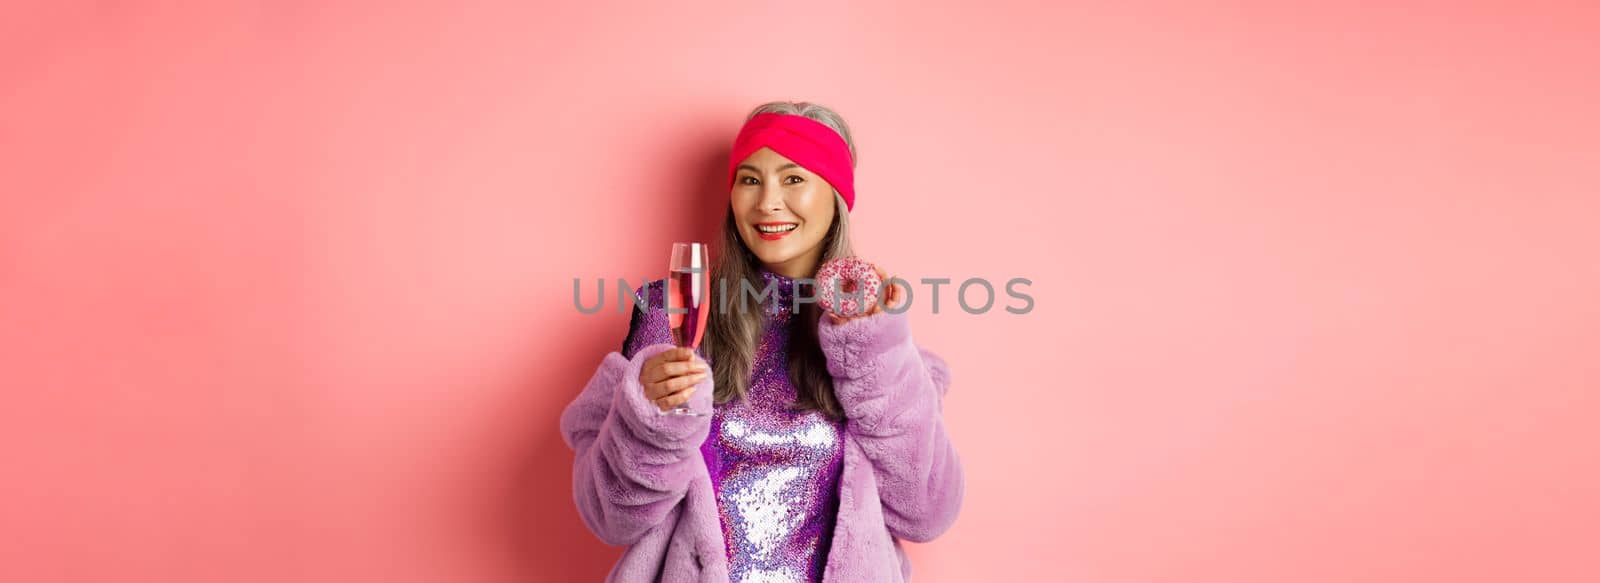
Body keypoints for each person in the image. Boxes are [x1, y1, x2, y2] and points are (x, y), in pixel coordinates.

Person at [560, 101, 963, 582]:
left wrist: (873, 350)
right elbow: (610, 517)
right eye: (750, 179)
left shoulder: (871, 327)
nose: (767, 201)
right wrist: (649, 417)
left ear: (834, 195)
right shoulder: (675, 312)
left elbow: (927, 513)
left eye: (793, 179)